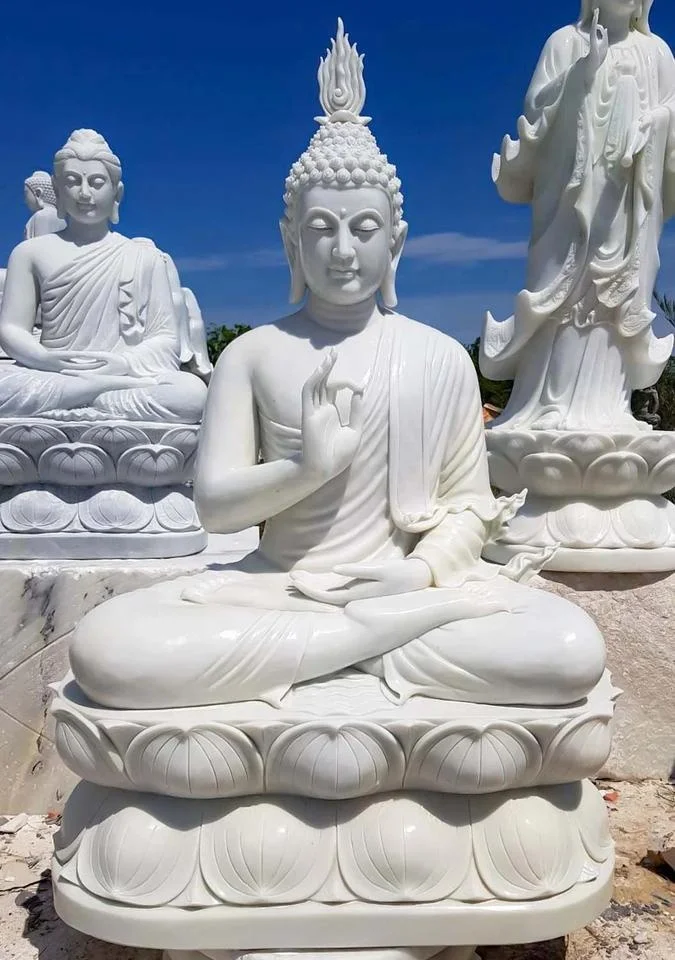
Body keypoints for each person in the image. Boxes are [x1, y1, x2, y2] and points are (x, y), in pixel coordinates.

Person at [70, 21, 605, 711]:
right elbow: (215, 509)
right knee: (111, 651)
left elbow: (470, 506)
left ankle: (356, 641)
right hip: (277, 586)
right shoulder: (251, 354)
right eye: (321, 228)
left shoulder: (438, 358)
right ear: (291, 241)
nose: (343, 250)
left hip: (402, 589)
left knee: (565, 653)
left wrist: (417, 576)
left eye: (364, 229)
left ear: (397, 244)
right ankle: (365, 646)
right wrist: (305, 470)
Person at [482, 0, 675, 431]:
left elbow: (673, 114)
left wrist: (656, 120)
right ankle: (550, 406)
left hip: (628, 212)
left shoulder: (658, 53)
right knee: (565, 299)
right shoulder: (564, 43)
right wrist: (583, 75)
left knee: (616, 305)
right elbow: (536, 116)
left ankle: (612, 409)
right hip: (568, 213)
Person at [0, 130, 207, 422]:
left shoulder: (144, 257)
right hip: (55, 372)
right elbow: (12, 329)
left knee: (190, 395)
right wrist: (45, 358)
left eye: (97, 182)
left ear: (117, 193)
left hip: (122, 375)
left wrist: (122, 363)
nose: (85, 194)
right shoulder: (29, 253)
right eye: (72, 182)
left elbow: (165, 340)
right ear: (57, 191)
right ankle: (95, 396)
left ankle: (90, 395)